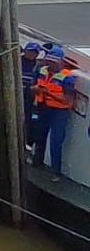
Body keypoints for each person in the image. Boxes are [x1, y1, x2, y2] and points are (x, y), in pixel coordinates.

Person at [31, 46, 76, 175]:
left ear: (61, 61)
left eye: (54, 61)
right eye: (49, 60)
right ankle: (36, 161)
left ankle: (56, 170)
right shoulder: (42, 70)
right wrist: (35, 89)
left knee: (56, 141)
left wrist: (48, 92)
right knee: (39, 135)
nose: (51, 64)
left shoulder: (68, 77)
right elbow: (35, 84)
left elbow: (67, 99)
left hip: (59, 112)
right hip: (43, 107)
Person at [21, 42, 42, 146]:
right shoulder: (17, 61)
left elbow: (40, 82)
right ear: (25, 50)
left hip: (28, 97)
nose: (32, 54)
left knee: (28, 119)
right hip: (13, 93)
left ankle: (25, 141)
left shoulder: (38, 66)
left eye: (35, 52)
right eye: (30, 51)